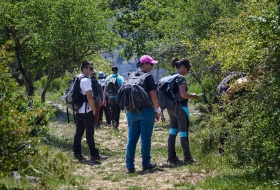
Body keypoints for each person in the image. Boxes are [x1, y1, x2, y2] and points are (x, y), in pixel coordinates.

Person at [125, 55, 161, 173]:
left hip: (131, 112)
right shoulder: (148, 77)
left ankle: (130, 165)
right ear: (145, 64)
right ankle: (146, 164)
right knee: (145, 138)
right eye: (151, 64)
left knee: (131, 139)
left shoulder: (131, 75)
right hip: (146, 111)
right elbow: (153, 97)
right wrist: (157, 110)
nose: (152, 66)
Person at [73, 60, 108, 162]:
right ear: (85, 68)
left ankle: (77, 153)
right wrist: (93, 109)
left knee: (78, 132)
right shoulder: (86, 80)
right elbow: (89, 97)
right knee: (89, 133)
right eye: (91, 68)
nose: (92, 70)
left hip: (78, 110)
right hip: (86, 111)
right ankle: (94, 154)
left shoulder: (77, 78)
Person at [166, 57, 198, 164]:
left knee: (172, 132)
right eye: (187, 68)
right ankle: (188, 158)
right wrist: (193, 96)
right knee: (184, 133)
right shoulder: (180, 78)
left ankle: (171, 157)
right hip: (181, 108)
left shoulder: (170, 77)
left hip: (171, 108)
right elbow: (183, 94)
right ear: (183, 67)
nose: (187, 71)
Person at [103, 66, 125, 130]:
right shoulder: (120, 78)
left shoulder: (107, 78)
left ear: (112, 70)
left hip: (110, 98)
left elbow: (105, 89)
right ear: (117, 70)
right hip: (117, 98)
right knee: (117, 112)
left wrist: (104, 99)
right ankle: (116, 126)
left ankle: (113, 124)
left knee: (112, 111)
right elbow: (123, 86)